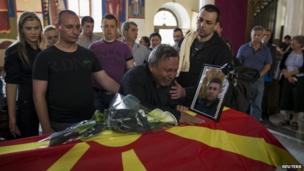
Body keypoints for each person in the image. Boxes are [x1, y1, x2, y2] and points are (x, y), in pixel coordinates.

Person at [32, 10, 119, 133]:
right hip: (60, 123)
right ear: (59, 27)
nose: (75, 31)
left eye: (77, 27)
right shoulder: (44, 57)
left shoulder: (88, 54)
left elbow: (105, 80)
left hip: (89, 120)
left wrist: (126, 91)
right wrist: (46, 127)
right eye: (69, 27)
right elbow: (38, 95)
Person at [172, 4, 232, 105]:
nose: (202, 25)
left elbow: (216, 82)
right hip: (177, 96)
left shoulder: (222, 49)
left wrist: (185, 92)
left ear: (216, 25)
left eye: (208, 22)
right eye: (200, 20)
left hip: (200, 102)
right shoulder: (185, 40)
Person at [4, 12, 43, 137]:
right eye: (28, 28)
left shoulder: (44, 49)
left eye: (36, 28)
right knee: (30, 139)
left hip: (47, 102)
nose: (33, 32)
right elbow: (11, 86)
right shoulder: (14, 51)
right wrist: (12, 117)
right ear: (21, 29)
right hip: (27, 104)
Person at [120, 44, 182, 119]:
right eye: (168, 70)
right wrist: (175, 115)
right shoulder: (134, 77)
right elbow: (140, 108)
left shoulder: (168, 78)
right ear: (152, 66)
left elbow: (173, 105)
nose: (172, 76)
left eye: (175, 70)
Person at [89, 14, 134, 111]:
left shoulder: (124, 47)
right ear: (101, 27)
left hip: (117, 94)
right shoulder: (93, 47)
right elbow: (88, 70)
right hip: (97, 94)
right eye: (106, 26)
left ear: (116, 28)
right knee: (97, 122)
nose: (109, 29)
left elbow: (131, 71)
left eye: (112, 26)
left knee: (116, 123)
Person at [237, 26, 272, 121]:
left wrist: (259, 75)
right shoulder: (243, 48)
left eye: (259, 35)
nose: (256, 37)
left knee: (256, 104)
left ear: (262, 36)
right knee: (242, 103)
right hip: (244, 80)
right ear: (251, 35)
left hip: (258, 80)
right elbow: (237, 64)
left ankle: (254, 125)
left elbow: (268, 65)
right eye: (254, 35)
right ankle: (240, 123)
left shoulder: (266, 50)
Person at [279, 35, 304, 130]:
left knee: (297, 100)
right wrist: (287, 75)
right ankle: (286, 119)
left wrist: (291, 74)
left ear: (300, 44)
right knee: (286, 99)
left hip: (300, 80)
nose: (292, 43)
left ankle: (295, 120)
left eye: (294, 41)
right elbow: (282, 65)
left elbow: (302, 68)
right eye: (292, 41)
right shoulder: (287, 53)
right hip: (287, 79)